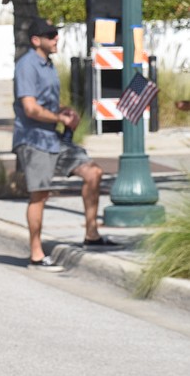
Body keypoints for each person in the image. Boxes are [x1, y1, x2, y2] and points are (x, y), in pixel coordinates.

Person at [13, 18, 118, 272]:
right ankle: (36, 255)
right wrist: (59, 118)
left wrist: (63, 110)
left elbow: (45, 103)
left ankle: (91, 234)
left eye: (56, 34)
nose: (56, 38)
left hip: (53, 138)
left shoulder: (48, 65)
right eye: (50, 35)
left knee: (93, 172)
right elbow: (30, 107)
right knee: (40, 195)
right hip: (34, 139)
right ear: (36, 40)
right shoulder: (27, 65)